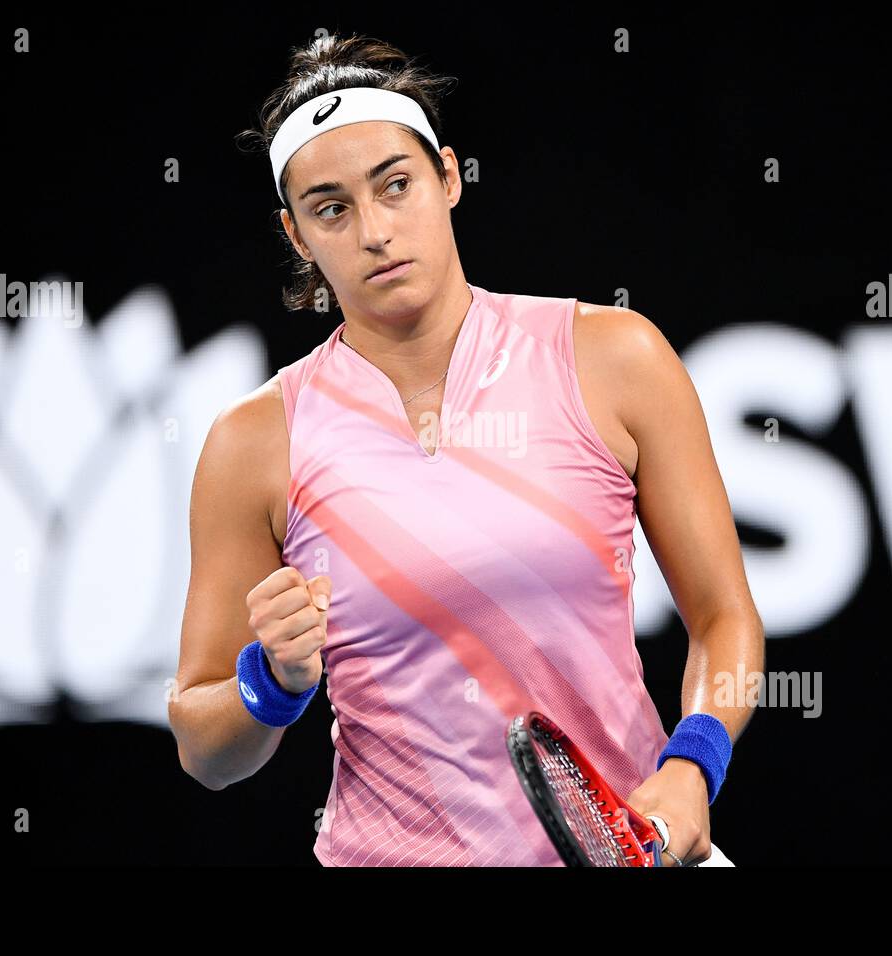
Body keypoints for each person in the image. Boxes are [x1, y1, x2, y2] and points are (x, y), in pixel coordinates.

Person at [168, 33, 765, 867]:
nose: (375, 231)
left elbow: (725, 619)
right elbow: (204, 749)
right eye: (332, 208)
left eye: (396, 185)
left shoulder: (616, 357)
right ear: (297, 234)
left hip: (632, 848)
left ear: (449, 177)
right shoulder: (253, 442)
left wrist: (693, 764)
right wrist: (273, 681)